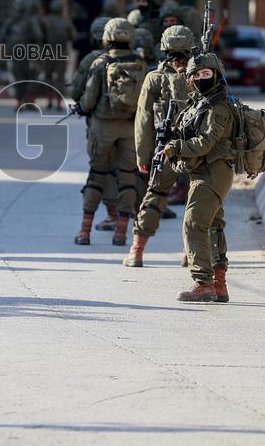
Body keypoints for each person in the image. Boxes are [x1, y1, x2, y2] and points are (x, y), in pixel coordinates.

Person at [161, 53, 235, 302]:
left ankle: (203, 282)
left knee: (194, 223)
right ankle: (219, 284)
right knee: (213, 226)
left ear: (217, 75)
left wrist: (176, 147)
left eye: (207, 74)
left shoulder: (219, 106)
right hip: (202, 171)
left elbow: (205, 142)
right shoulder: (200, 102)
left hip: (214, 172)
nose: (202, 78)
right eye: (197, 74)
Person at [124, 25, 195, 268]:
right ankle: (191, 253)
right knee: (197, 201)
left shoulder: (155, 78)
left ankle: (137, 250)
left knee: (154, 196)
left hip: (165, 149)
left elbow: (143, 120)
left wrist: (143, 156)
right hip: (198, 148)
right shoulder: (205, 73)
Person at [74, 18, 148, 246]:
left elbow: (88, 100)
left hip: (103, 127)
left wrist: (81, 108)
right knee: (127, 180)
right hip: (130, 127)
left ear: (107, 37)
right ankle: (121, 234)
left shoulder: (100, 62)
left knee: (97, 176)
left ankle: (85, 232)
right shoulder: (140, 63)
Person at [70, 15, 120, 232]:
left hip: (100, 125)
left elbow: (76, 92)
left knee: (101, 171)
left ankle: (111, 216)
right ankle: (127, 216)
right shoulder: (133, 58)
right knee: (124, 171)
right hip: (129, 126)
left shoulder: (92, 59)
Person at [1, 0, 45, 109]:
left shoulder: (12, 22)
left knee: (20, 78)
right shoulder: (29, 21)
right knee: (27, 78)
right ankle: (24, 102)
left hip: (21, 54)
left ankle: (22, 102)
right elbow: (38, 36)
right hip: (23, 54)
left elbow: (1, 37)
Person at [41, 0, 74, 109]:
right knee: (60, 78)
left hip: (48, 50)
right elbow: (73, 36)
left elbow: (40, 36)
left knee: (48, 76)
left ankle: (49, 101)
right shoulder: (66, 21)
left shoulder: (45, 20)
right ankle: (59, 103)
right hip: (62, 51)